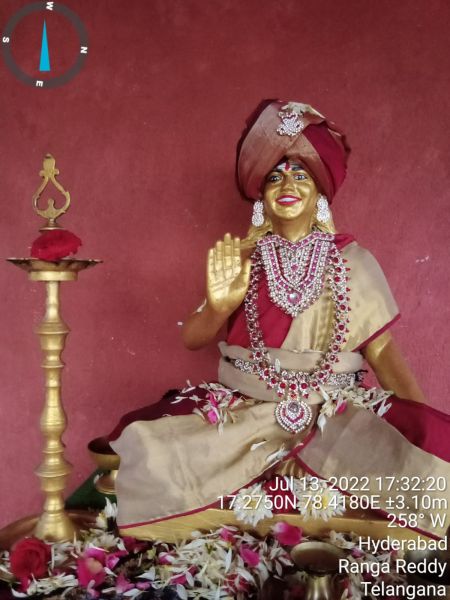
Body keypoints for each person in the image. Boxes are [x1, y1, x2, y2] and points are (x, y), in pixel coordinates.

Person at [109, 100, 450, 541]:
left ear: (320, 195)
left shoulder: (354, 262)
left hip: (335, 416)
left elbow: (383, 352)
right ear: (261, 198)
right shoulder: (242, 259)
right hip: (247, 412)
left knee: (432, 463)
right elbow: (193, 337)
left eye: (301, 175)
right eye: (274, 177)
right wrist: (218, 307)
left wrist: (417, 429)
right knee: (146, 447)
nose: (287, 184)